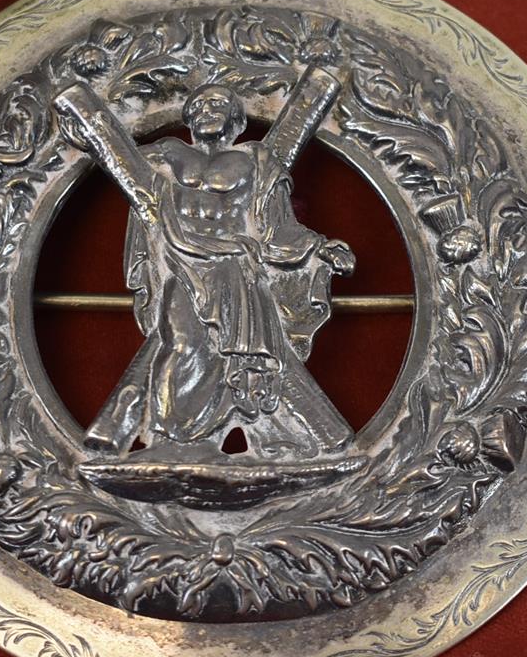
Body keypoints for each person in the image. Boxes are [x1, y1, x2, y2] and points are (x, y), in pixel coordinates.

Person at [56, 74, 356, 459]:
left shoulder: (257, 159)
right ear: (189, 118)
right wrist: (88, 132)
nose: (207, 111)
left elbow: (276, 224)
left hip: (238, 266)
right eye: (199, 106)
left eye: (217, 105)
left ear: (236, 120)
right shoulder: (166, 153)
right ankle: (170, 437)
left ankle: (264, 436)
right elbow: (117, 159)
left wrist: (319, 248)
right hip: (181, 260)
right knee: (182, 342)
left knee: (237, 355)